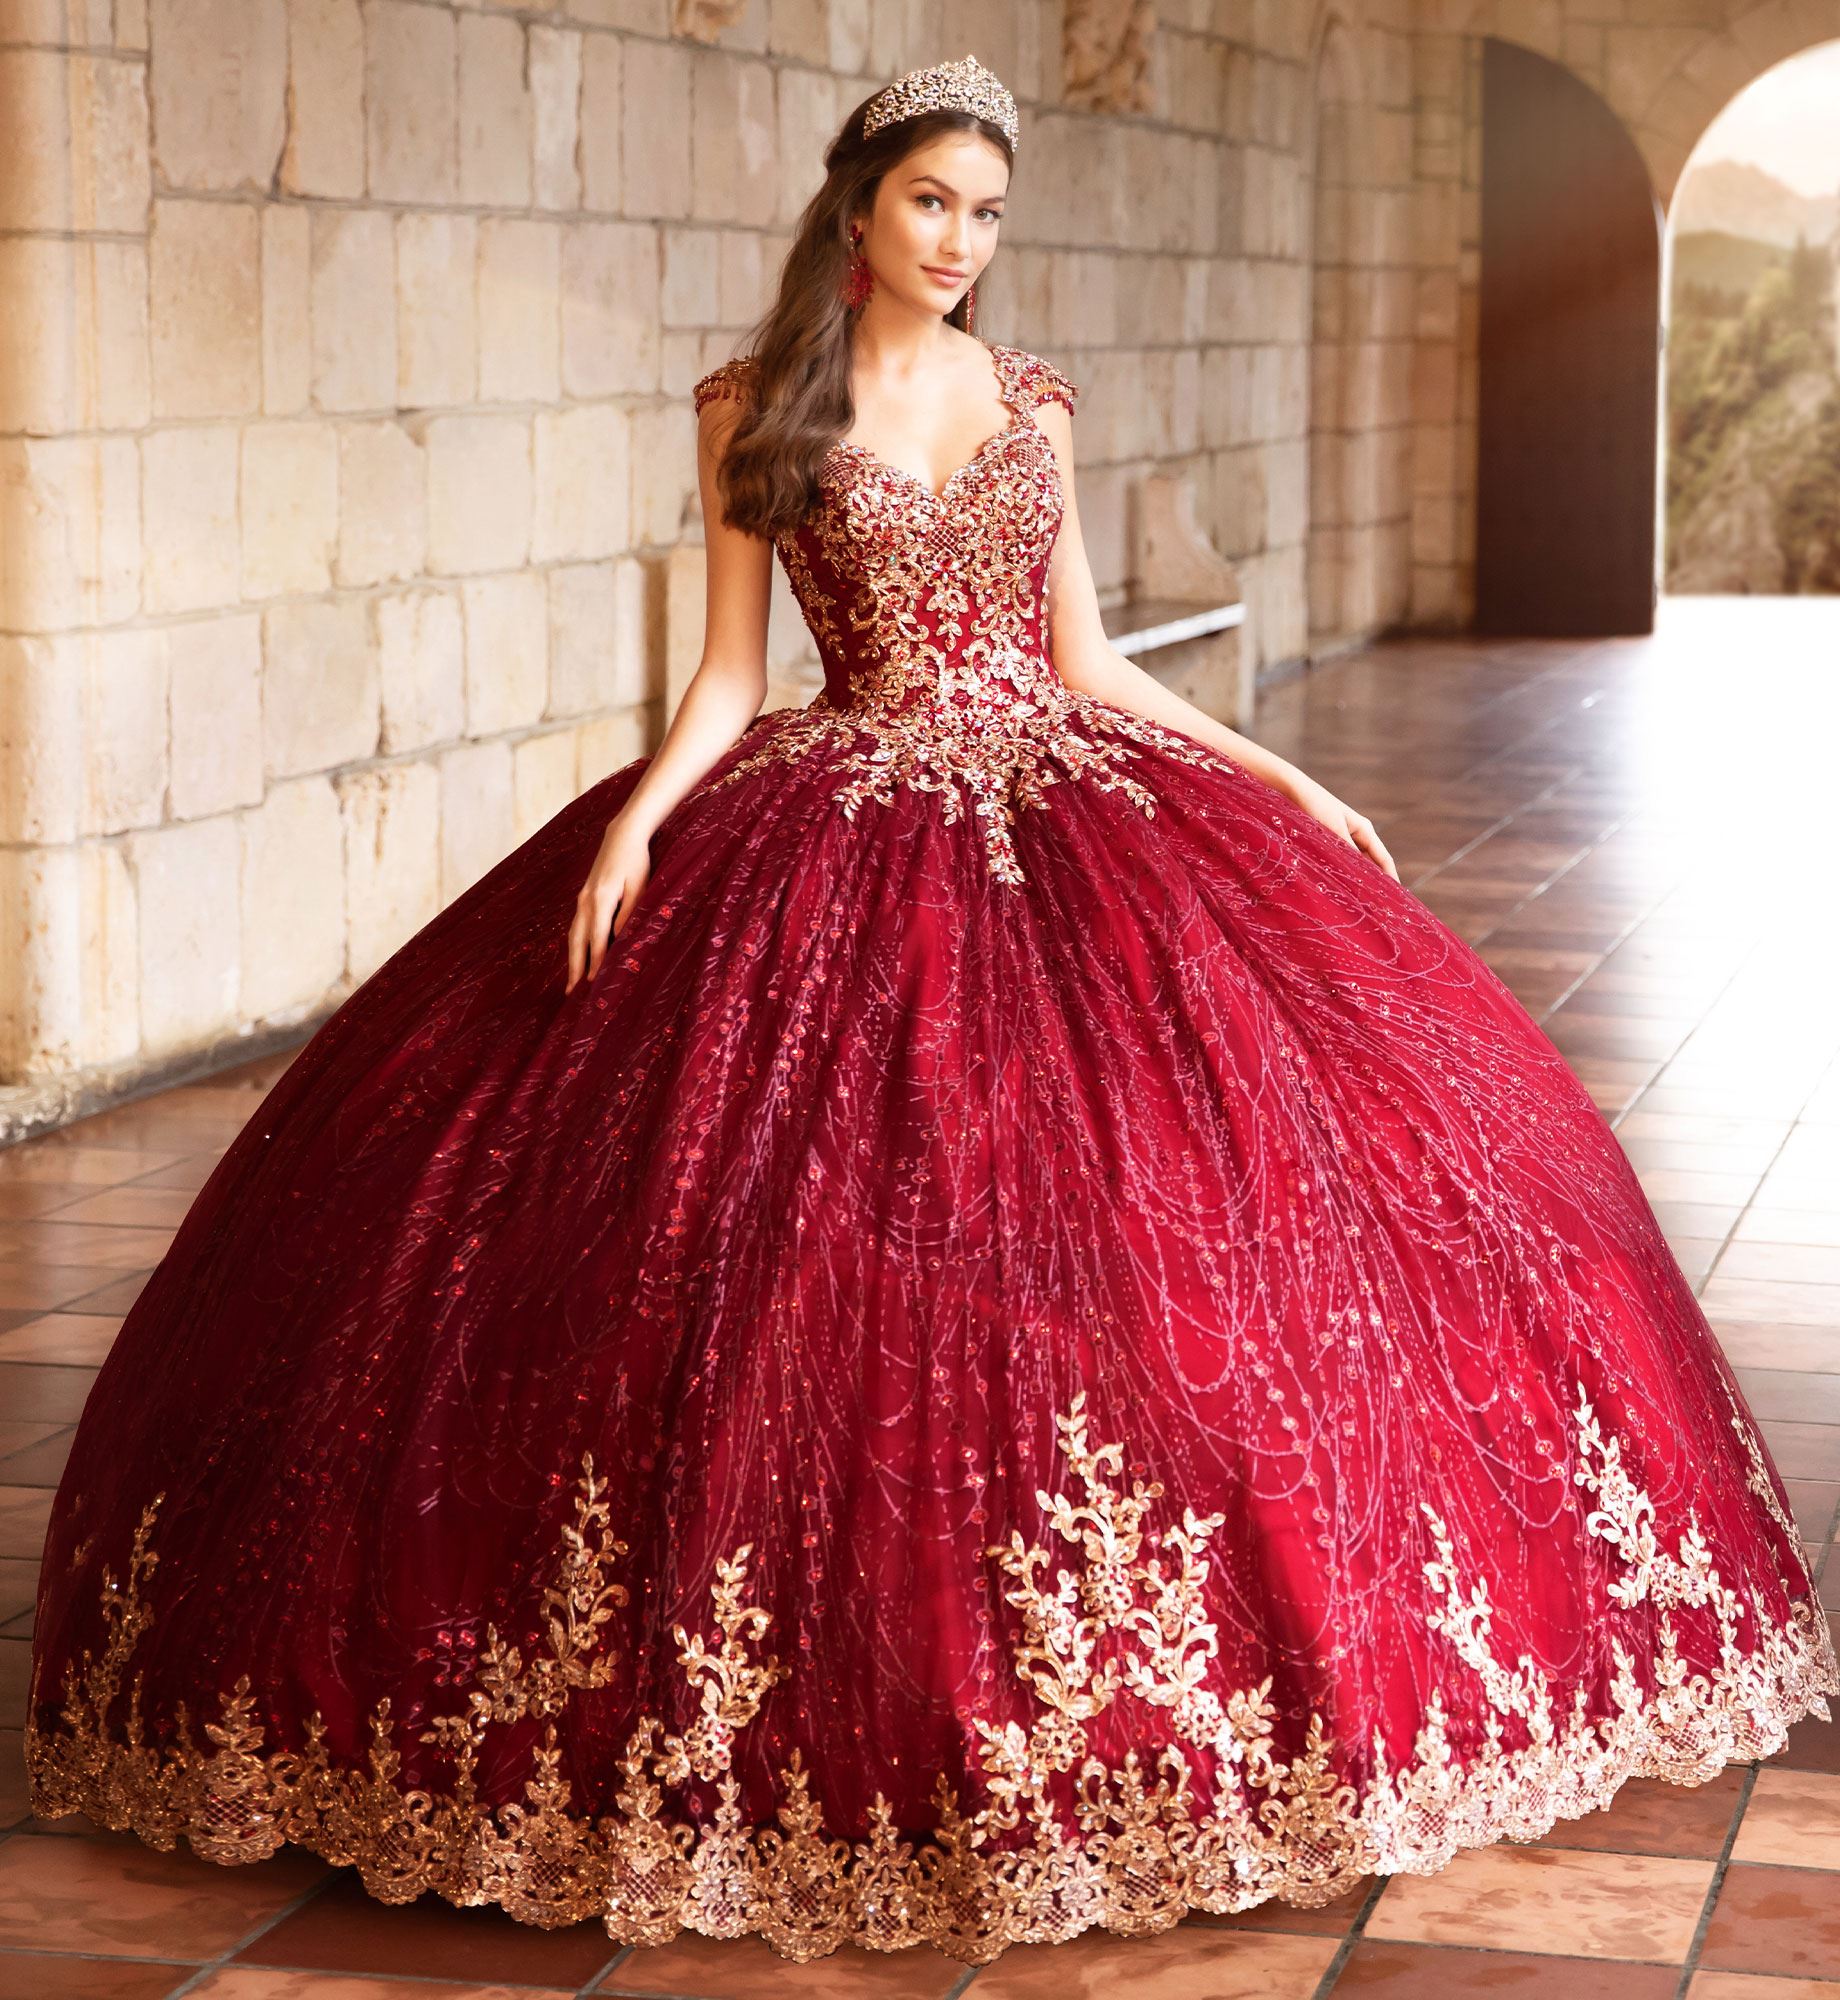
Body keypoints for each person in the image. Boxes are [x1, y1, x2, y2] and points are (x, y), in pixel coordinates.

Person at [26, 52, 1836, 1971]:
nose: (965, 246)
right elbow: (731, 675)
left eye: (989, 214)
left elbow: (1090, 660)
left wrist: (1286, 781)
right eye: (934, 205)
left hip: (1075, 808)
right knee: (724, 1239)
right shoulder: (752, 406)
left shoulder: (1033, 398)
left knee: (1193, 1208)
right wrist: (642, 823)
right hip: (834, 806)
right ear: (859, 208)